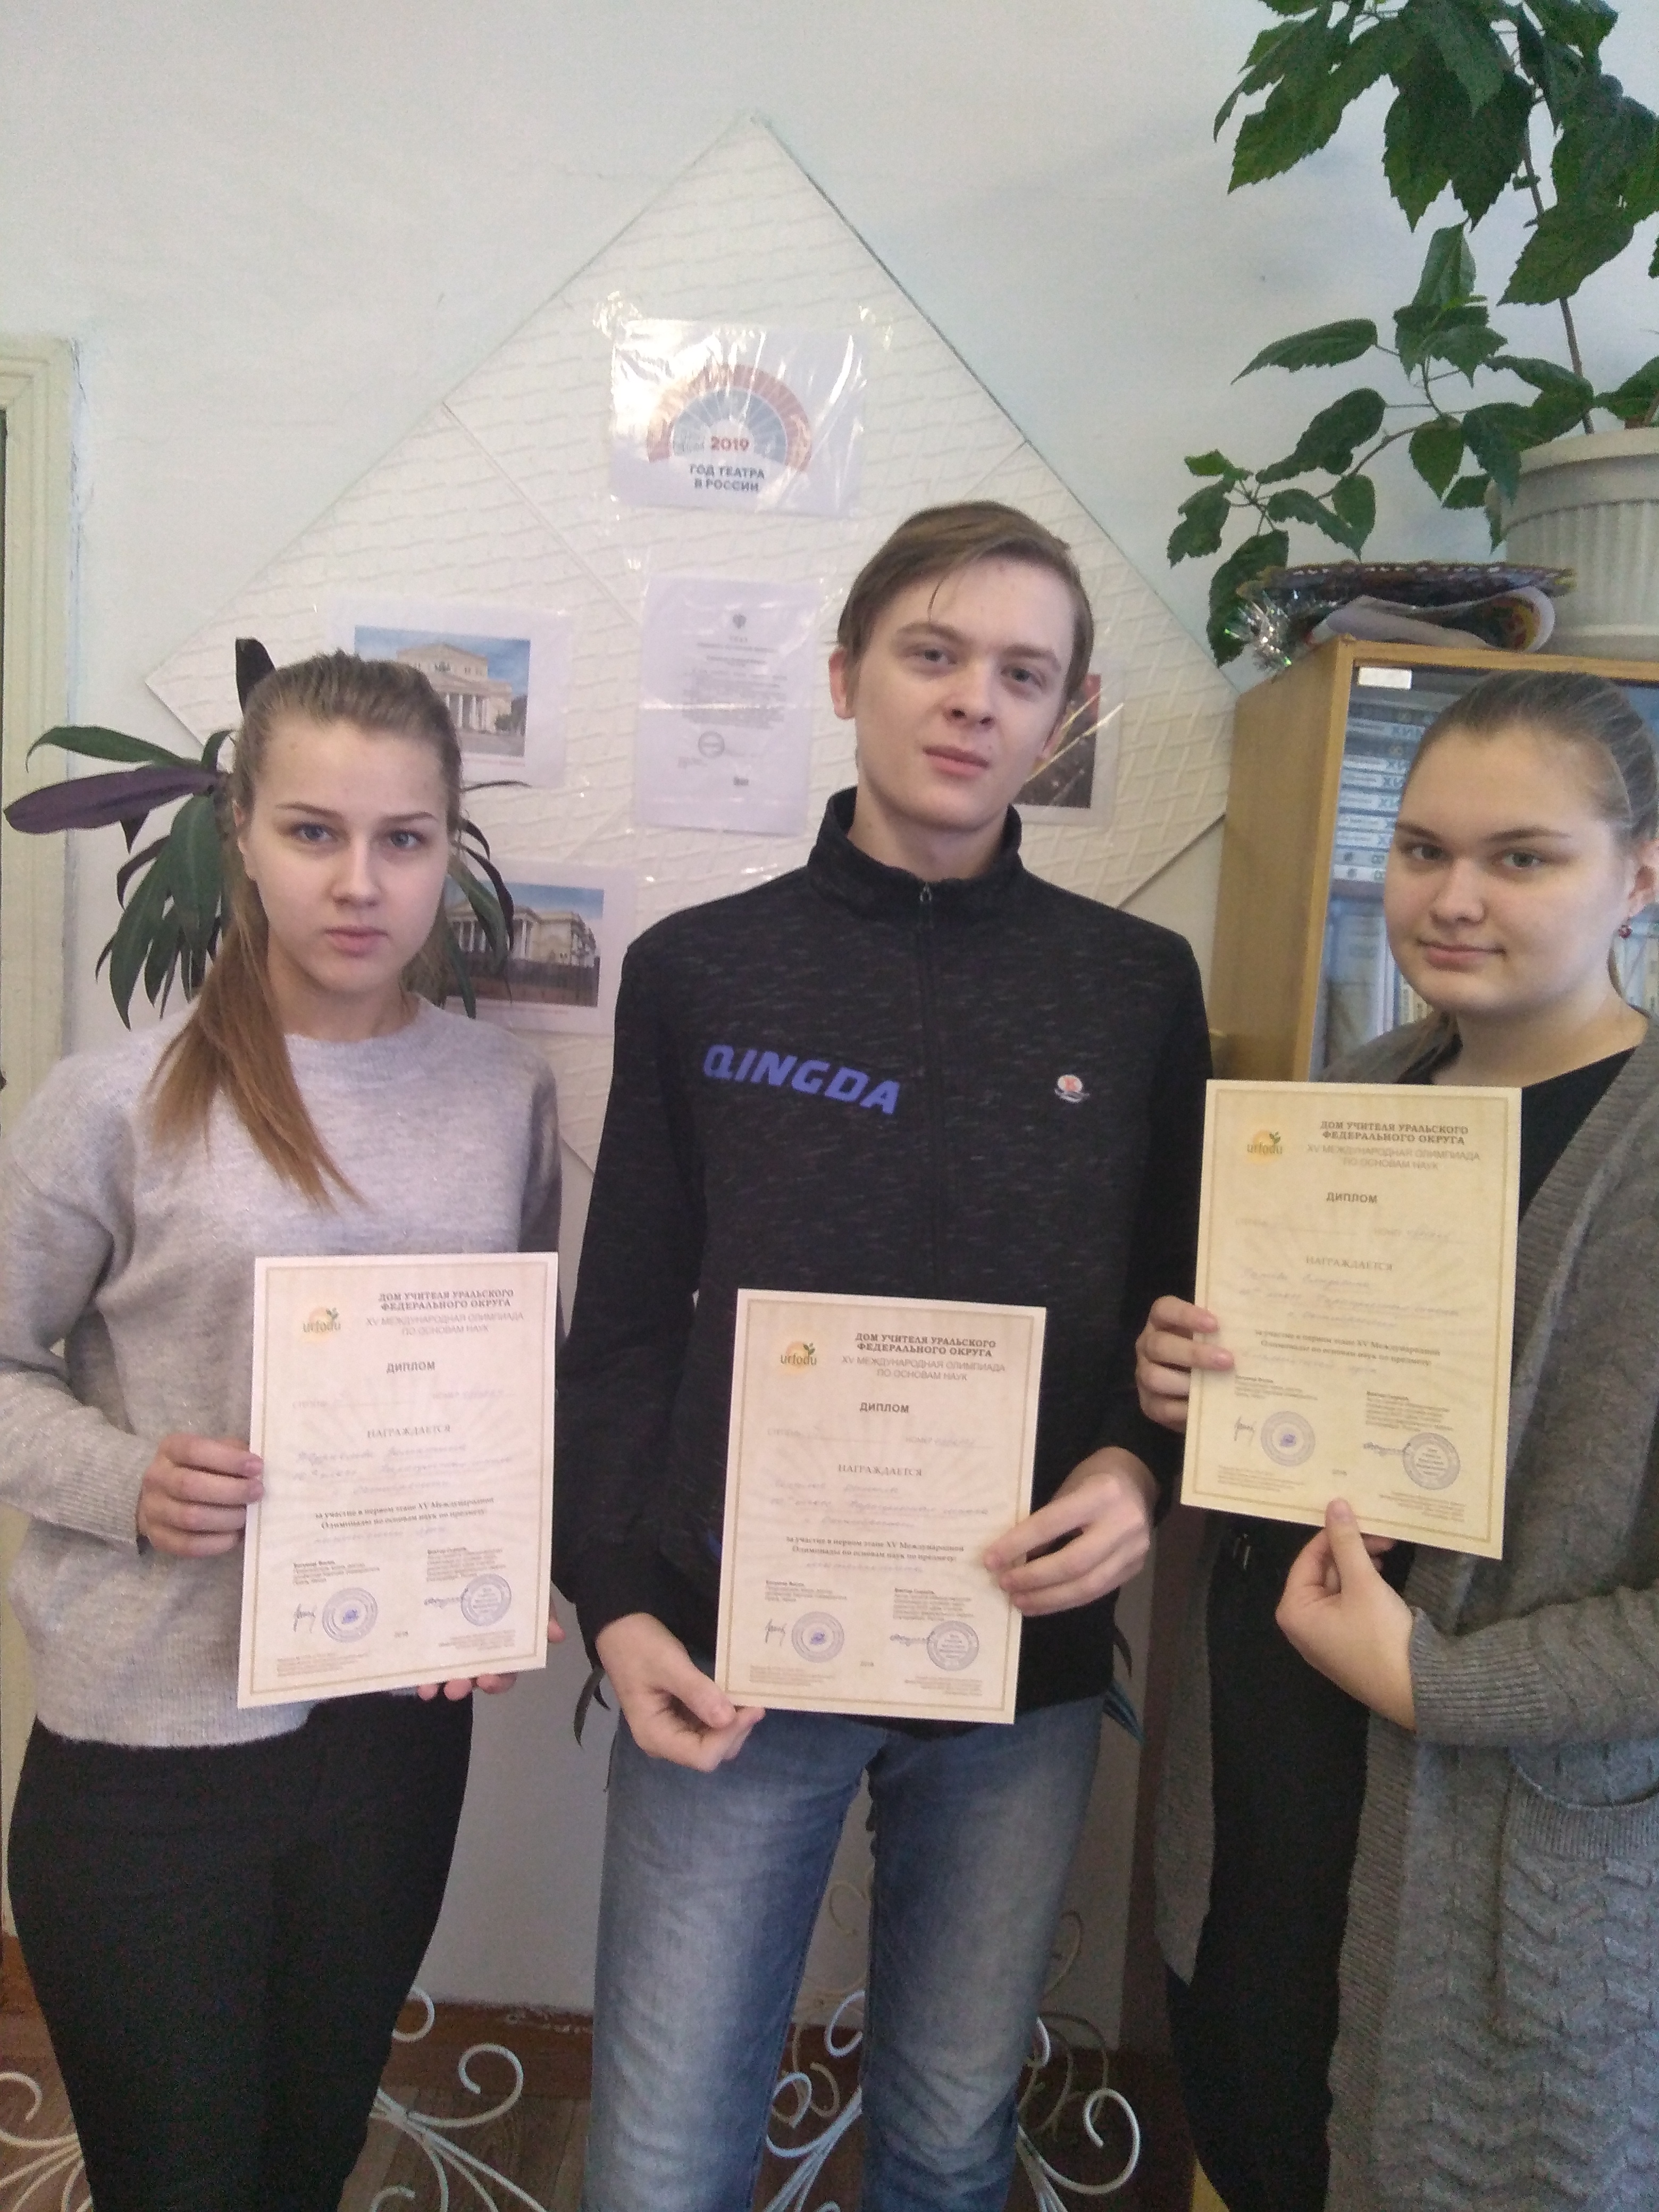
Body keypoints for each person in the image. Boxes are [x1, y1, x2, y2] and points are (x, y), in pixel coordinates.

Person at [555, 500, 1210, 2212]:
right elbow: (622, 1329)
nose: (974, 699)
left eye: (1023, 673)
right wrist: (612, 1601)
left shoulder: (1137, 987)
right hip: (729, 1660)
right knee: (660, 2161)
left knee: (947, 2139)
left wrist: (1142, 1468)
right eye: (934, 653)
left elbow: (1182, 1310)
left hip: (1015, 1660)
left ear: (1065, 718)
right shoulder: (701, 972)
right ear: (847, 676)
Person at [1, 651, 562, 2212]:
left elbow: (518, 1378)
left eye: (404, 839)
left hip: (391, 1736)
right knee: (180, 2181)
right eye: (315, 831)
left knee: (306, 2161)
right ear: (240, 830)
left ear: (449, 848)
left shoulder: (502, 1096)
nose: (360, 882)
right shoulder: (113, 1102)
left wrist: (494, 1560)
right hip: (150, 1740)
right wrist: (127, 1479)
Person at [1139, 669, 1659, 2212]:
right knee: (1256, 2142)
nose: (1452, 898)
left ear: (1641, 876)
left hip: (1487, 1865)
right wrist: (1197, 1389)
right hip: (1260, 1811)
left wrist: (1441, 1681)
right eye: (1423, 849)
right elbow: (1300, 1444)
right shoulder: (1351, 1096)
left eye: (1522, 856)